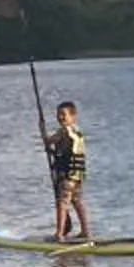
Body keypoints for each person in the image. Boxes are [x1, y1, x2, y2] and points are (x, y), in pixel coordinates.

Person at [45, 101, 90, 243]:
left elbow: (49, 141)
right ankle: (85, 231)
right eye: (59, 114)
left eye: (64, 114)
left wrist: (44, 136)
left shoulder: (63, 131)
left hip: (67, 178)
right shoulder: (78, 133)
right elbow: (64, 151)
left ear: (73, 116)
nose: (61, 117)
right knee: (77, 202)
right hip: (77, 177)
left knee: (62, 203)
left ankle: (59, 234)